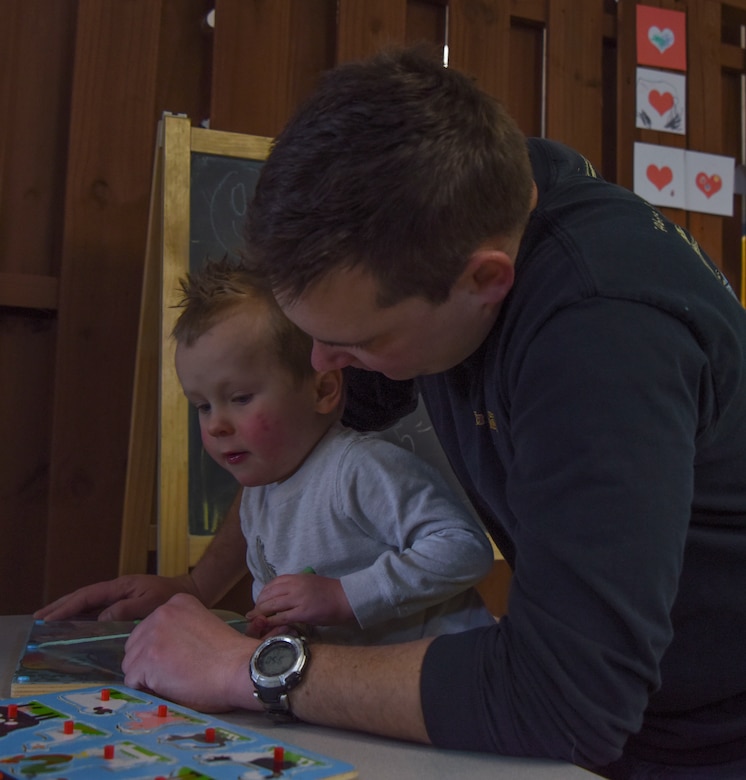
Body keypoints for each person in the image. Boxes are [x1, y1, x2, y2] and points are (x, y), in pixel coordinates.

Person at [38, 47, 746, 778]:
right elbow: (296, 450)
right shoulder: (466, 198)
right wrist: (197, 586)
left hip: (709, 735)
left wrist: (253, 668)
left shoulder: (604, 334)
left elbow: (564, 702)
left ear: (484, 280)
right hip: (617, 714)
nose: (318, 366)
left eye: (352, 342)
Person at [39, 257, 496, 647]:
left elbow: (463, 549)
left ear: (323, 389)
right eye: (202, 406)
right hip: (351, 696)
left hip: (438, 682)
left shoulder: (359, 469)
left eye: (239, 398)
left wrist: (343, 596)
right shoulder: (262, 490)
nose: (216, 424)